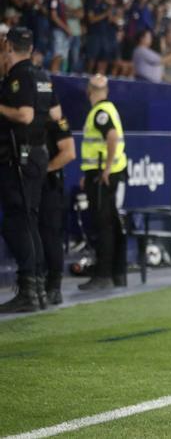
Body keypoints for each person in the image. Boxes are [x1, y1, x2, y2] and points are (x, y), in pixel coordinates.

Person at [0, 27, 54, 311]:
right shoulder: (42, 75)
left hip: (20, 157)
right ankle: (38, 291)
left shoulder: (20, 75)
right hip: (38, 153)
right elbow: (55, 115)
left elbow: (24, 114)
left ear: (8, 45)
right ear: (31, 48)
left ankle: (29, 291)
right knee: (30, 220)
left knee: (16, 221)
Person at [78, 74, 127, 291]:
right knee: (111, 223)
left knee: (103, 224)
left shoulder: (100, 113)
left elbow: (112, 136)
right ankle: (117, 274)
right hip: (104, 172)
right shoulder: (111, 109)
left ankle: (103, 275)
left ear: (89, 91)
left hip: (102, 175)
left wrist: (104, 168)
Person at [39, 103, 75, 306]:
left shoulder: (57, 121)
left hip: (50, 186)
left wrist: (45, 170)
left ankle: (54, 287)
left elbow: (69, 153)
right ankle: (40, 284)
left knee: (50, 235)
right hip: (35, 187)